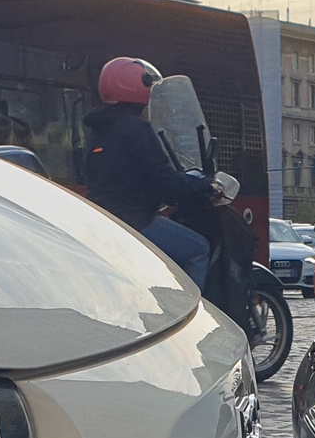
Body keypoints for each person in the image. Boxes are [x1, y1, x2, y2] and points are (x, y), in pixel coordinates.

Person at [81, 57, 219, 286]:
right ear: (136, 84)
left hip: (105, 219)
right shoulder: (136, 128)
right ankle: (196, 317)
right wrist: (204, 186)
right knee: (198, 250)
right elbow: (162, 177)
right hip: (135, 220)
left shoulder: (98, 129)